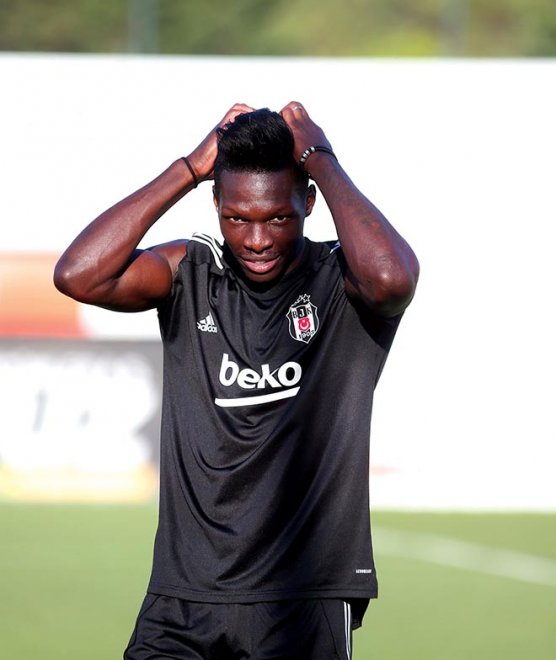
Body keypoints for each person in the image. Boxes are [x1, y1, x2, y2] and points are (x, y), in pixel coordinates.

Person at [54, 101, 419, 660]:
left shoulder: (342, 280)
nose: (257, 239)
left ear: (308, 203)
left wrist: (321, 158)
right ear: (217, 206)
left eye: (278, 218)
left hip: (303, 600)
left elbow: (393, 278)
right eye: (238, 218)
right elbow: (78, 274)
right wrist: (188, 169)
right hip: (182, 600)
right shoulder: (191, 271)